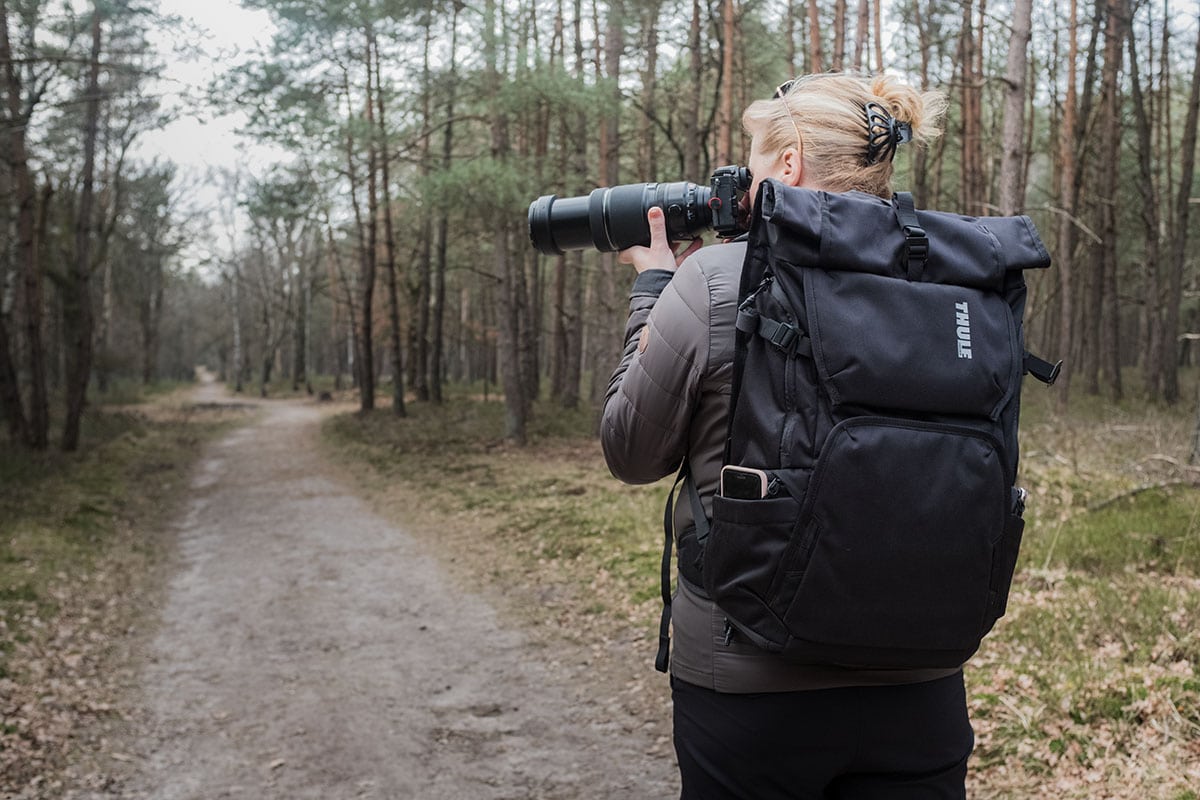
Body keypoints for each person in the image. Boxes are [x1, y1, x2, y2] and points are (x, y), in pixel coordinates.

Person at [600, 73, 968, 799]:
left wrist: (653, 290)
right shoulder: (957, 280)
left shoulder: (711, 280)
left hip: (750, 684)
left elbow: (630, 450)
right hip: (922, 681)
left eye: (756, 161)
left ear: (791, 162)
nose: (746, 180)